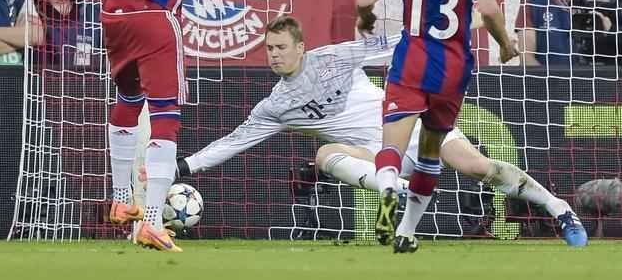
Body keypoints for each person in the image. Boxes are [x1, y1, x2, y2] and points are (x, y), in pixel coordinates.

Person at [177, 16, 588, 246]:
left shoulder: (335, 58)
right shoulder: (276, 105)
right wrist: (184, 167)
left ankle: (559, 209)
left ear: (301, 47)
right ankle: (401, 192)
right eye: (269, 49)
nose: (274, 56)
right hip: (374, 155)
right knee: (323, 156)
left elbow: (398, 42)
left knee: (479, 168)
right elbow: (234, 141)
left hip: (407, 127)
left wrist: (472, 24)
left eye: (281, 47)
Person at [353, 0, 532, 253]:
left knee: (393, 148)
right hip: (451, 71)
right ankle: (405, 232)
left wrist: (367, 17)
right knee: (431, 152)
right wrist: (503, 44)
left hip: (411, 65)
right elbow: (491, 9)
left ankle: (388, 186)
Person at [81, 0, 220, 253]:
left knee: (128, 97)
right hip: (155, 15)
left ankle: (122, 202)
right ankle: (154, 222)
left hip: (112, 13)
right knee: (165, 113)